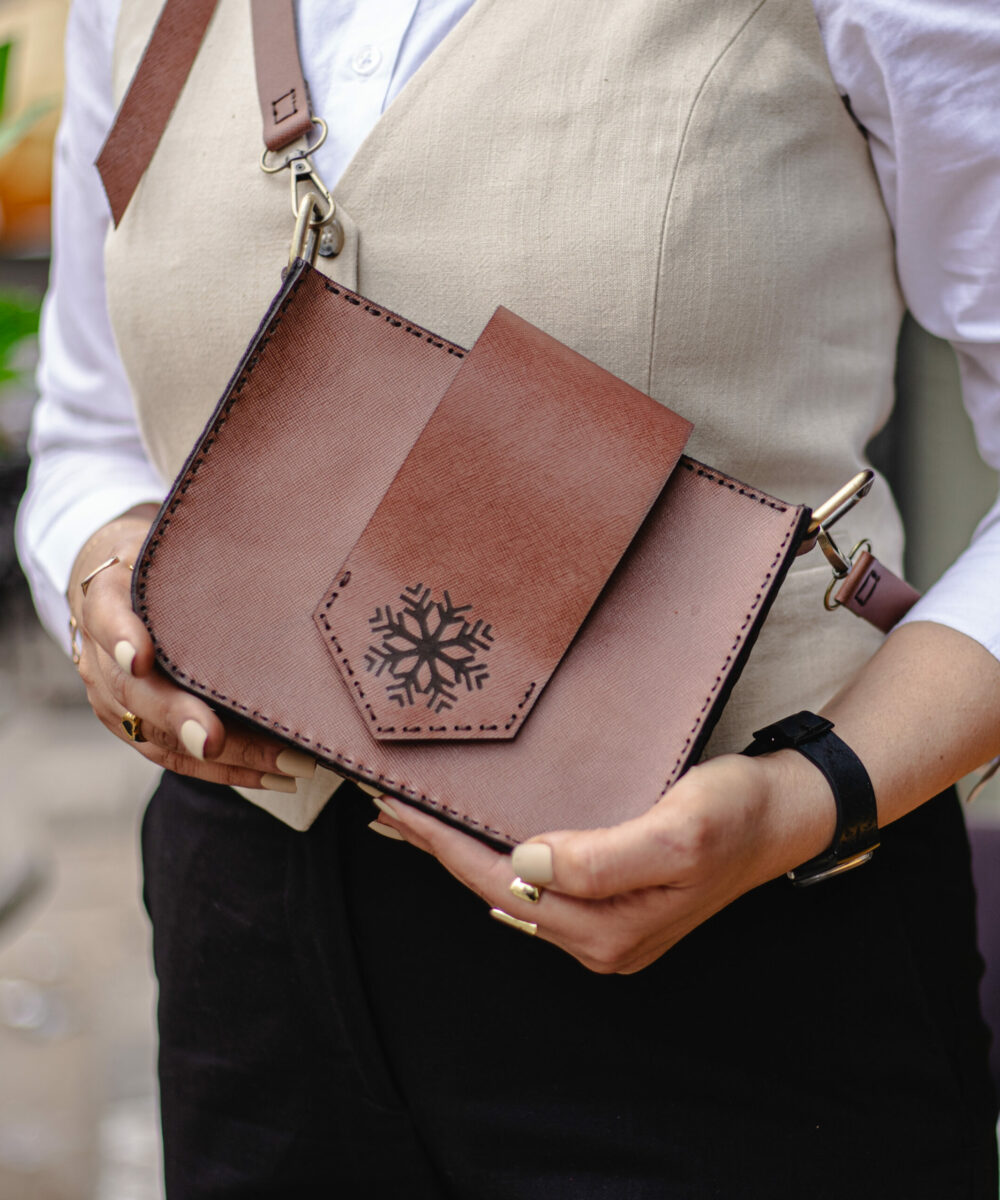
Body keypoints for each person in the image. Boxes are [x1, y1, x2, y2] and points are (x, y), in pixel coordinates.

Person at [17, 0, 1000, 1195]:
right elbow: (94, 429)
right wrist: (102, 567)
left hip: (739, 958)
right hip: (250, 941)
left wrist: (807, 798)